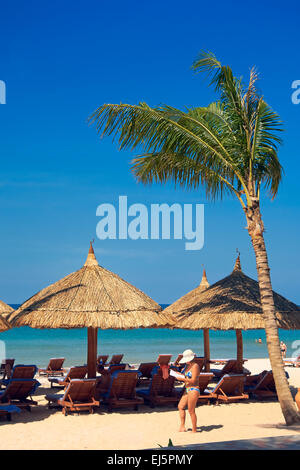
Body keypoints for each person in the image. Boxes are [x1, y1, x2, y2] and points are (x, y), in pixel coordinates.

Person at [176, 349, 200, 433]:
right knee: (180, 406)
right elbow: (186, 377)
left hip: (194, 389)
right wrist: (179, 375)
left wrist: (182, 379)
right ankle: (182, 426)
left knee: (191, 410)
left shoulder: (195, 366)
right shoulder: (187, 366)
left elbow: (193, 380)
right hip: (187, 389)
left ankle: (194, 429)